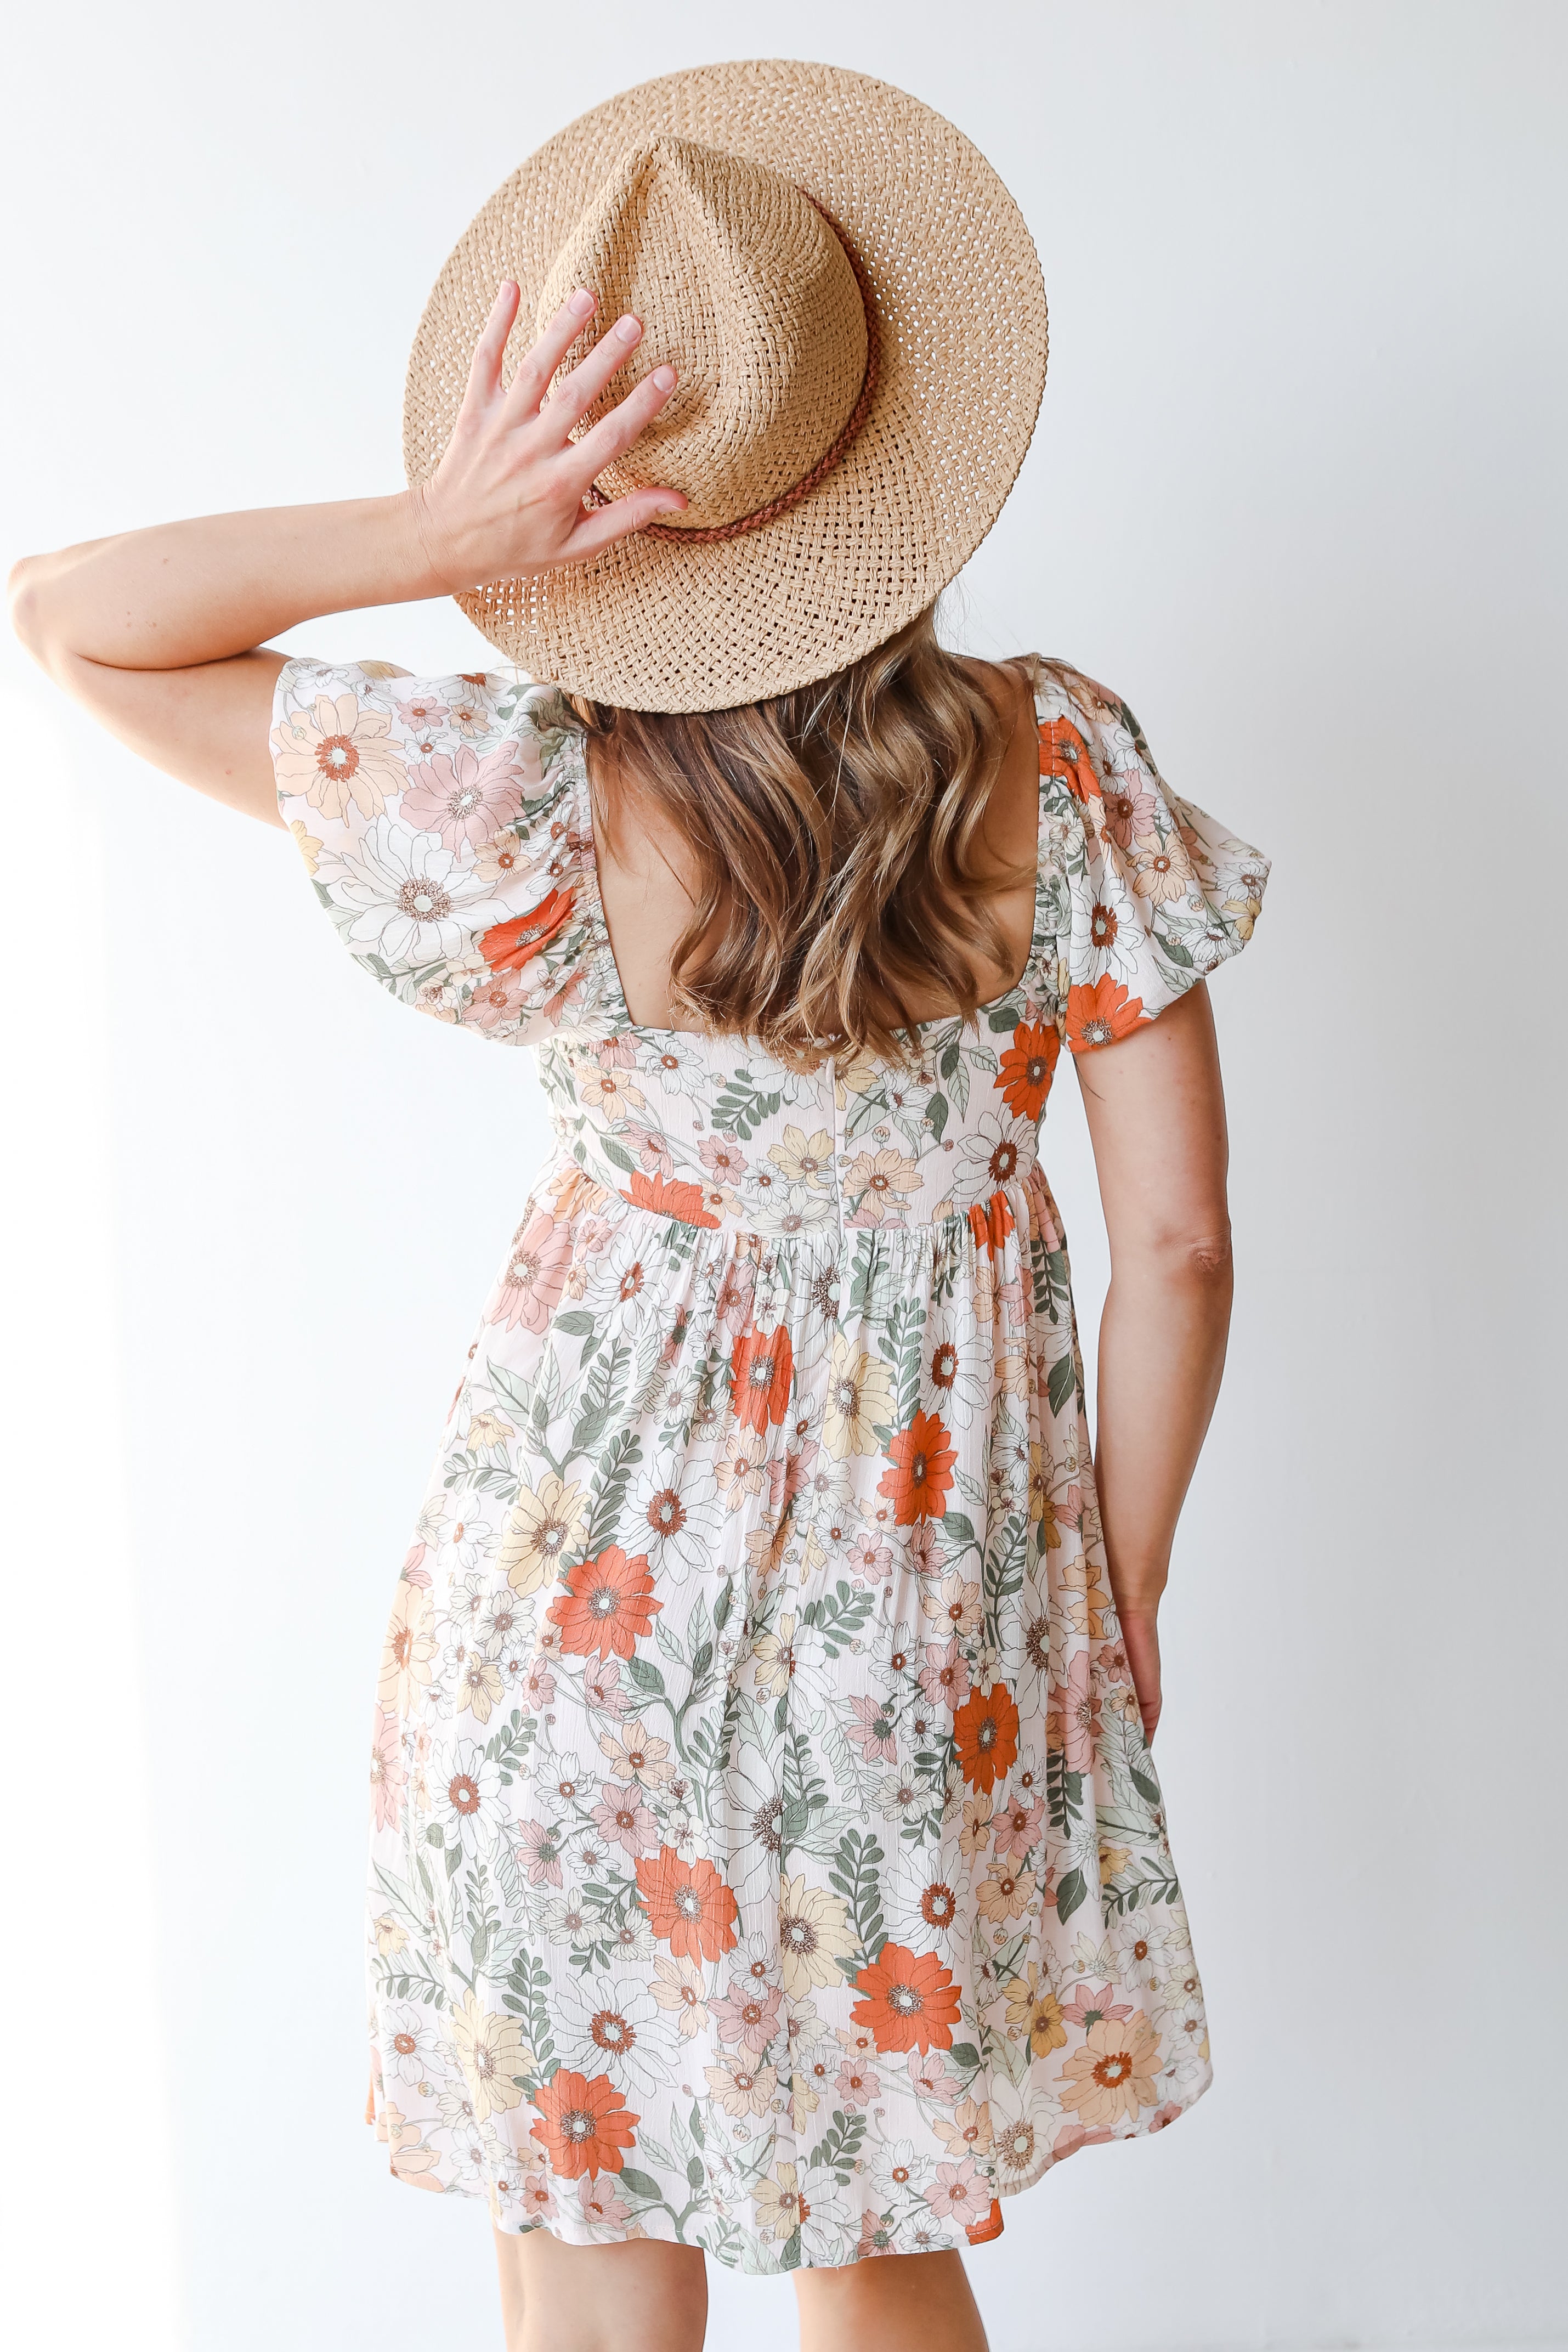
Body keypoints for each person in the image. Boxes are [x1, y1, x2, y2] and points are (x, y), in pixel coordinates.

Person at [9, 59, 1267, 2352]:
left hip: (563, 1615)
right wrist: (1118, 1577)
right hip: (924, 1611)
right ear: (876, 461)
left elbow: (71, 616)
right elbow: (1178, 1248)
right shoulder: (1061, 767)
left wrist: (443, 528)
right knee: (875, 2225)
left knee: (587, 2257)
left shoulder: (522, 806)